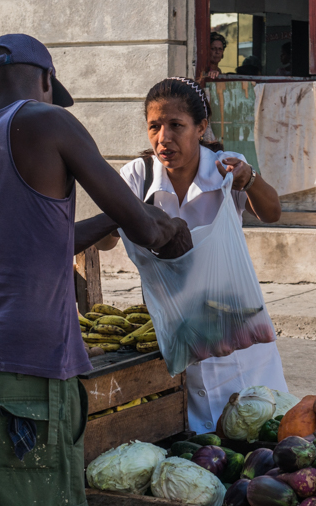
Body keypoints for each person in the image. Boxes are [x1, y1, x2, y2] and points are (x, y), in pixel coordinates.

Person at [0, 34, 192, 506]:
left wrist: (113, 218)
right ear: (46, 80)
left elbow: (38, 240)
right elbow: (146, 229)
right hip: (27, 369)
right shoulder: (50, 122)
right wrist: (168, 228)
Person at [96, 77, 287, 432]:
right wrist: (111, 224)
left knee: (258, 435)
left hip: (236, 330)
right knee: (194, 448)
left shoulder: (225, 168)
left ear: (200, 128)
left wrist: (249, 178)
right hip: (174, 332)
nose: (163, 138)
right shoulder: (138, 178)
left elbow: (273, 211)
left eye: (176, 126)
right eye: (154, 126)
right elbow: (105, 242)